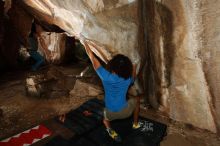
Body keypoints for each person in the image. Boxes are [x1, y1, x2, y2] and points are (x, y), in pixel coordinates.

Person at [82, 40, 141, 142]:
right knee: (137, 100)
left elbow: (92, 57)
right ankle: (135, 124)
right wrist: (134, 65)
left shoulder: (105, 76)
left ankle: (110, 131)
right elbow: (134, 77)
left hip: (110, 114)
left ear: (112, 66)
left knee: (105, 120)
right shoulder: (127, 80)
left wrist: (84, 42)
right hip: (126, 112)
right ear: (127, 68)